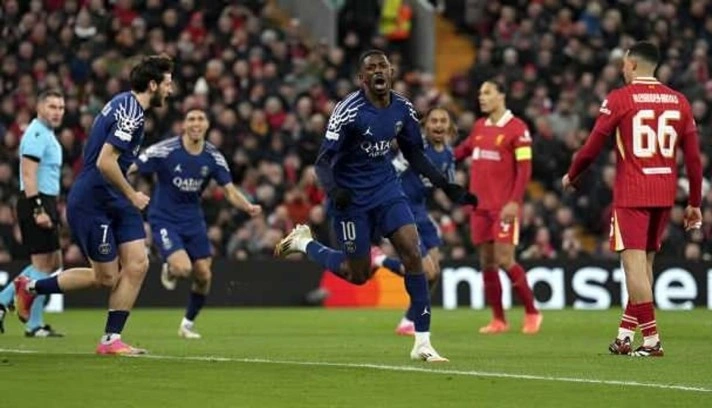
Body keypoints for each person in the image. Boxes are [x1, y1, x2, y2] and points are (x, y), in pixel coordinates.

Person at [274, 49, 477, 362]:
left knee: (412, 252)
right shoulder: (348, 111)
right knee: (357, 275)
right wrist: (335, 190)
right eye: (371, 68)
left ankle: (422, 342)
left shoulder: (403, 108)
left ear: (391, 73)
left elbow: (414, 153)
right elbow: (323, 161)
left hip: (386, 189)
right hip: (351, 198)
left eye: (383, 66)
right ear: (362, 78)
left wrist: (444, 184)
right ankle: (304, 243)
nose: (379, 71)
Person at [13, 55, 174, 355]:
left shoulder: (125, 103)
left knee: (138, 263)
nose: (170, 89)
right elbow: (105, 162)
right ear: (152, 85)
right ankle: (31, 287)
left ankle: (111, 340)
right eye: (167, 83)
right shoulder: (131, 112)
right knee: (106, 278)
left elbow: (113, 158)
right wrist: (132, 194)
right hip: (93, 200)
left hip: (114, 197)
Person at [562, 41, 702, 357]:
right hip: (664, 192)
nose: (622, 69)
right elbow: (694, 159)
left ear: (634, 64)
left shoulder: (620, 99)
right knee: (645, 264)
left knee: (633, 265)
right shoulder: (679, 101)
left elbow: (592, 146)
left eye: (624, 63)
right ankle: (625, 335)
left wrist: (572, 174)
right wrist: (694, 202)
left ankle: (651, 341)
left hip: (633, 192)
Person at [128, 108, 262, 339]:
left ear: (207, 125)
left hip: (193, 220)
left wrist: (247, 206)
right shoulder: (165, 150)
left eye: (201, 119)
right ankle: (170, 268)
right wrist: (114, 179)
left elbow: (229, 191)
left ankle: (187, 324)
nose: (196, 123)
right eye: (191, 119)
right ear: (183, 125)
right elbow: (132, 167)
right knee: (183, 268)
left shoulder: (213, 156)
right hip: (164, 218)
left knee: (204, 275)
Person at [454, 80, 542, 335]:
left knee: (505, 259)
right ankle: (498, 319)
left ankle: (532, 312)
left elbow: (524, 170)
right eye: (480, 93)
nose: (481, 97)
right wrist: (435, 157)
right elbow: (461, 151)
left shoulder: (517, 129)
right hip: (479, 207)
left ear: (501, 95)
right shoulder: (479, 127)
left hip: (504, 207)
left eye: (487, 92)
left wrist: (515, 201)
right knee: (487, 262)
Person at [370, 107, 457, 336]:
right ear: (425, 125)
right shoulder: (415, 148)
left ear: (449, 126)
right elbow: (392, 171)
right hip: (403, 210)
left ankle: (408, 320)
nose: (438, 125)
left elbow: (447, 184)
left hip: (422, 212)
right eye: (434, 121)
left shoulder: (449, 154)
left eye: (443, 121)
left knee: (434, 274)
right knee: (425, 271)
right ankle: (380, 260)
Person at [0, 89, 65, 337]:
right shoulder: (36, 133)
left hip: (46, 201)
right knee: (42, 265)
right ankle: (31, 323)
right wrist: (38, 208)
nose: (57, 112)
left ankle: (9, 303)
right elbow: (28, 174)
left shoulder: (47, 134)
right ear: (39, 108)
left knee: (53, 263)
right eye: (52, 106)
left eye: (60, 107)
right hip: (35, 201)